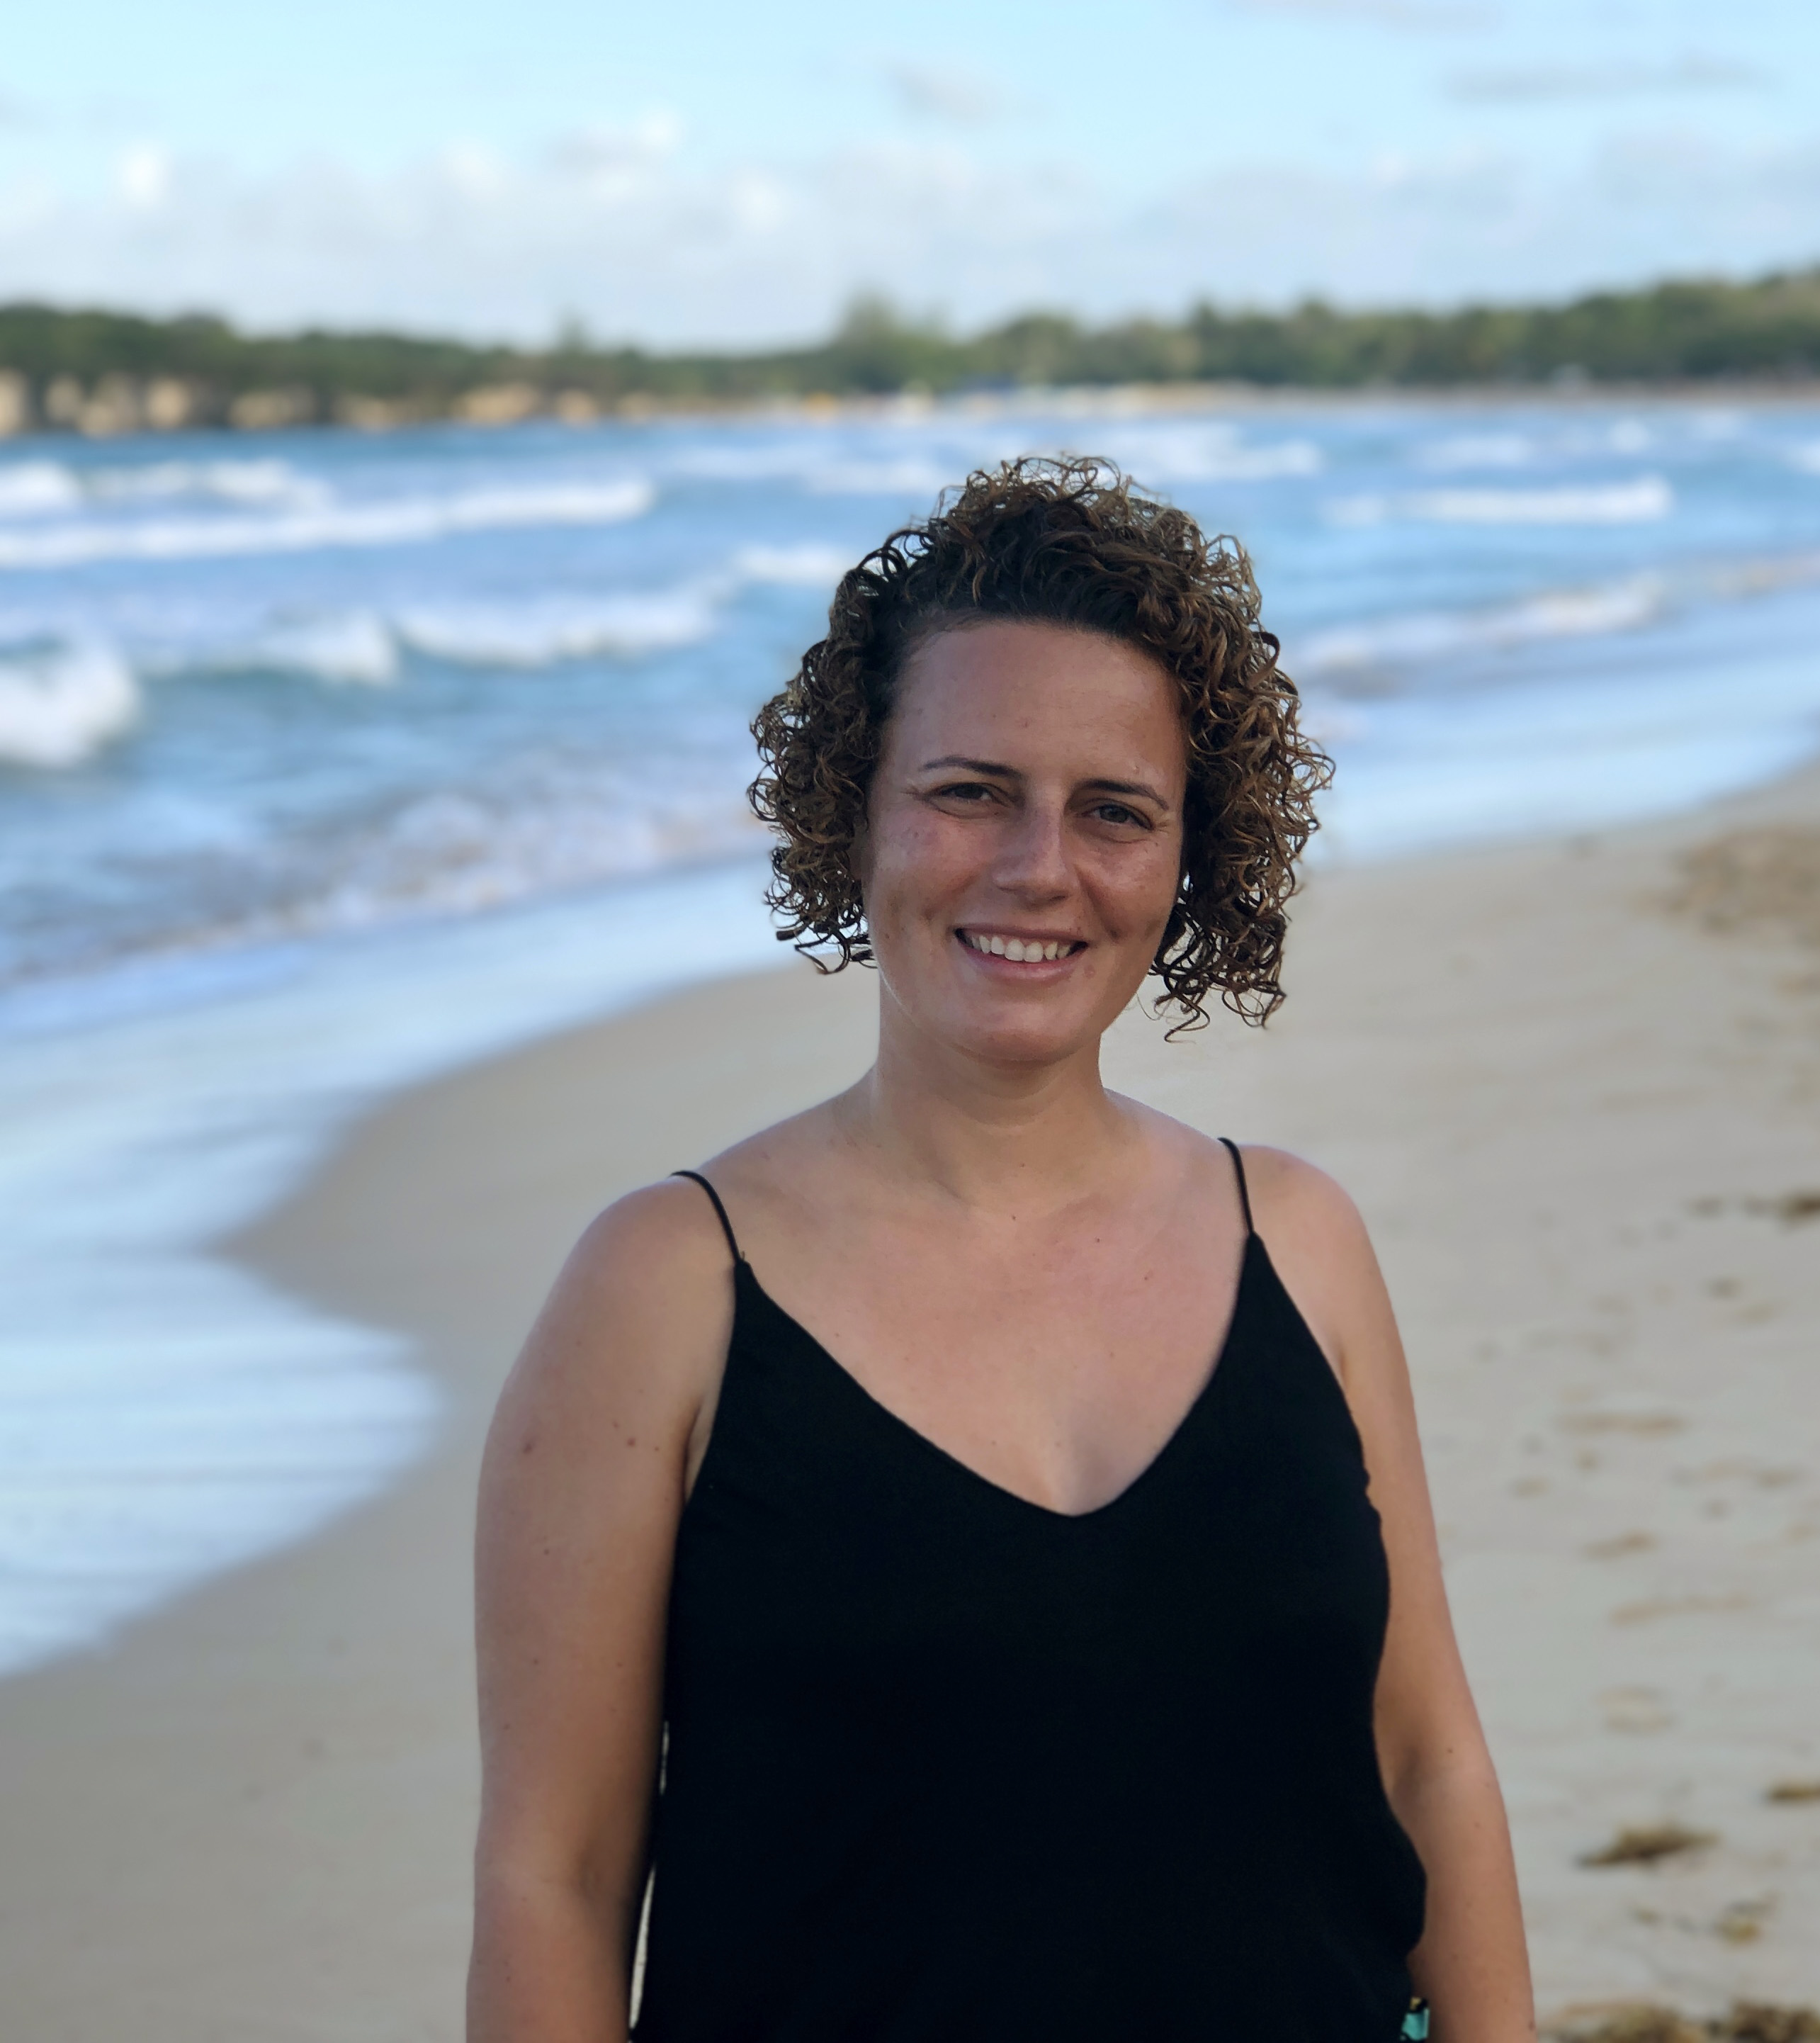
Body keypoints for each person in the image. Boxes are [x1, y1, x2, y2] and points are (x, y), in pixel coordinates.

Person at [468, 457, 1535, 2043]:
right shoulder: (665, 1286)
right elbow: (553, 1872)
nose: (1039, 866)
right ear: (855, 813)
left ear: (1189, 860)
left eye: (1113, 810)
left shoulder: (1297, 1242)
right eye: (969, 790)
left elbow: (1425, 1752)